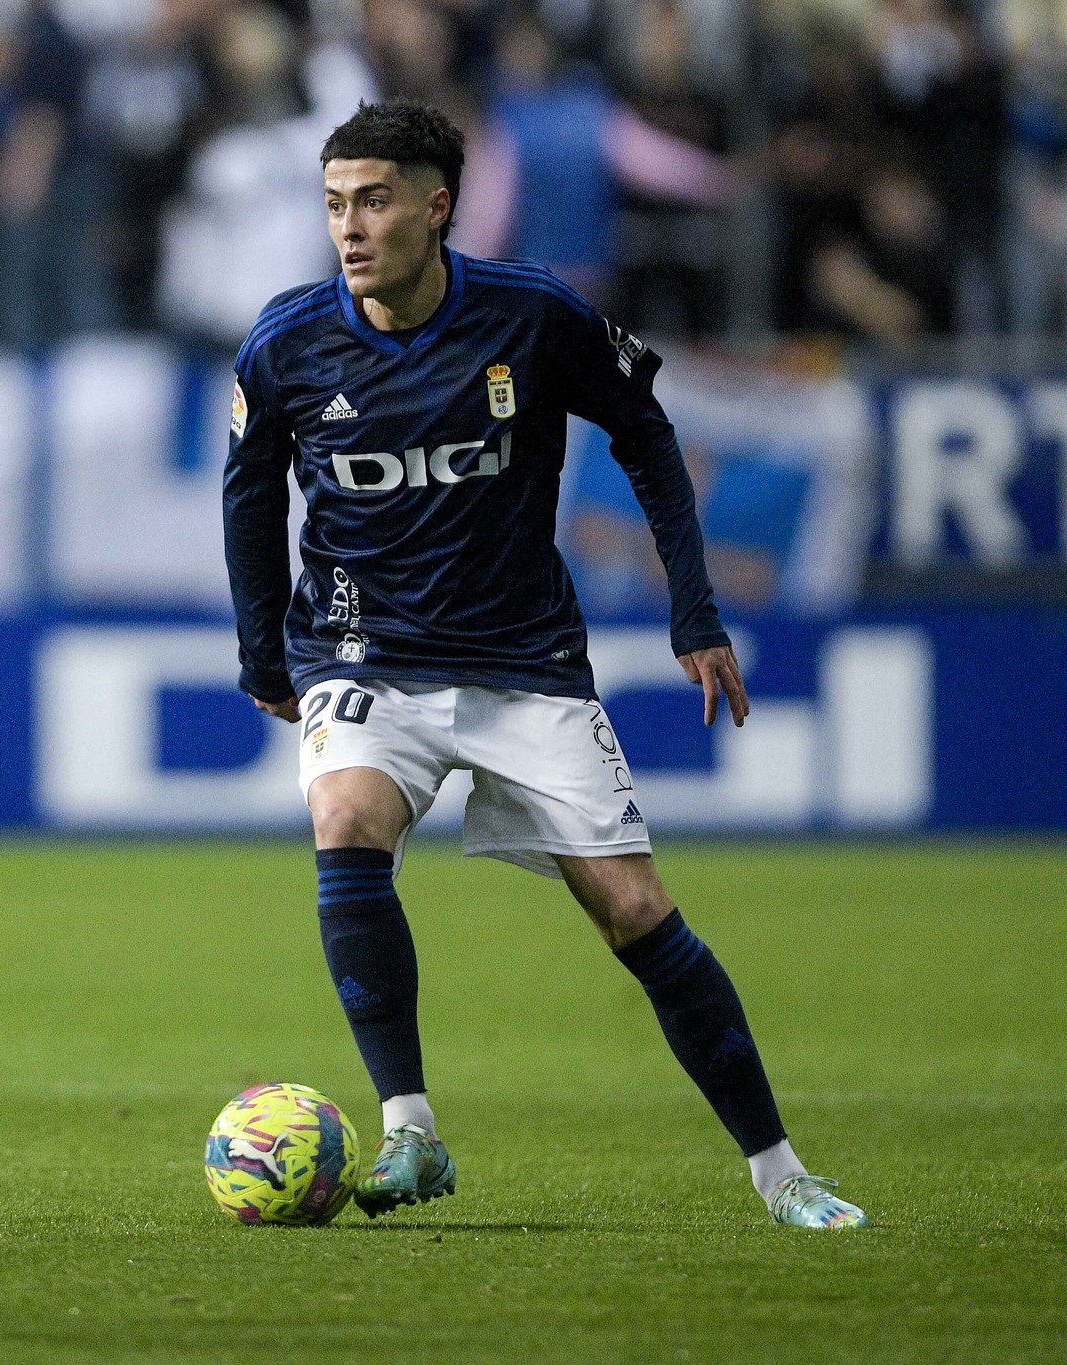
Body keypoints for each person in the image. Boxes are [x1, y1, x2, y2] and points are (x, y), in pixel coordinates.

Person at [220, 99, 866, 1231]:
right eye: (334, 205)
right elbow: (247, 495)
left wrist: (693, 611)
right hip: (359, 653)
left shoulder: (530, 315)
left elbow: (648, 434)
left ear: (436, 206)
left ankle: (782, 1175)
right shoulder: (286, 341)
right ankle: (410, 1130)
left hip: (524, 663)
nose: (350, 227)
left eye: (373, 200)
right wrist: (261, 647)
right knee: (347, 822)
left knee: (633, 911)